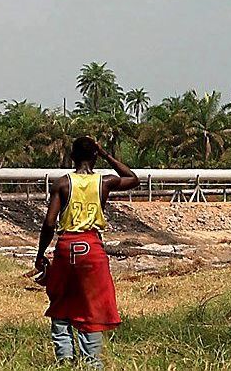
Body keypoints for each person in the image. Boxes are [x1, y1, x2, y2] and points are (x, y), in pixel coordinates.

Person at [34, 136, 139, 367]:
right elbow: (132, 178)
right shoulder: (105, 182)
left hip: (66, 247)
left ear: (71, 157)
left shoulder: (62, 183)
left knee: (61, 302)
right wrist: (106, 154)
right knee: (92, 305)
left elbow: (49, 223)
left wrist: (41, 253)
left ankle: (65, 359)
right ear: (94, 156)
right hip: (92, 248)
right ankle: (92, 363)